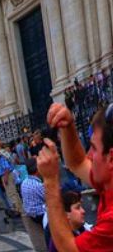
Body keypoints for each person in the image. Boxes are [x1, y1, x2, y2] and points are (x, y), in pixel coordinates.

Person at [38, 101, 113, 252]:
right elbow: (78, 163)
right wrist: (68, 127)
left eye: (93, 148)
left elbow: (68, 249)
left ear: (111, 158)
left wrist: (51, 181)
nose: (89, 155)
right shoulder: (108, 180)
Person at [20, 157, 47, 252]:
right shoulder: (38, 185)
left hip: (30, 212)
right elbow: (50, 199)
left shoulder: (24, 182)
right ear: (37, 169)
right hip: (40, 214)